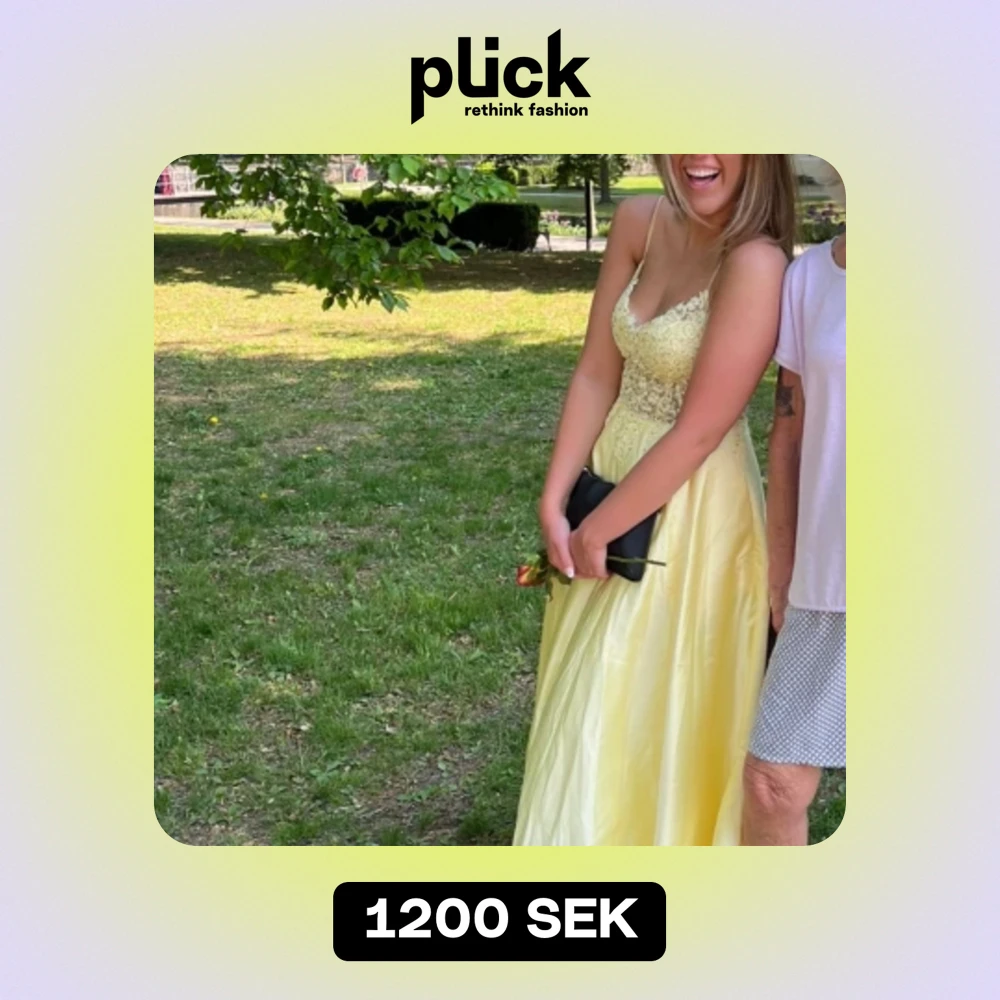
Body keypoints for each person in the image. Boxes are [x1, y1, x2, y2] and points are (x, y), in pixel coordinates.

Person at [514, 155, 797, 846]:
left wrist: (599, 528)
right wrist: (557, 496)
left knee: (626, 693)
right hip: (609, 473)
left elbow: (700, 429)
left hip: (691, 510)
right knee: (586, 691)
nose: (698, 154)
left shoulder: (757, 261)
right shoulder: (638, 220)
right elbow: (595, 371)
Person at [742, 172, 846, 847]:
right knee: (771, 782)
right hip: (829, 573)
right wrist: (782, 568)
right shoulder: (810, 277)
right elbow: (789, 426)